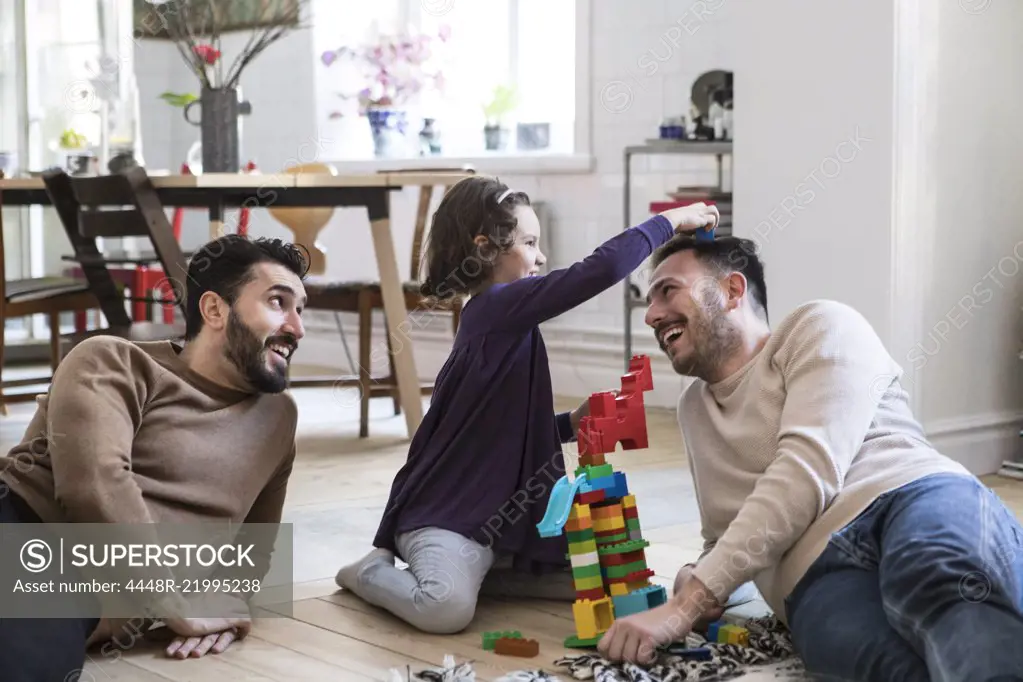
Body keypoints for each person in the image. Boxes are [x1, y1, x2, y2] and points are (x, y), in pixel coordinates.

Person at [596, 234, 1023, 680]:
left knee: (941, 582)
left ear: (731, 291)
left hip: (906, 496)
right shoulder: (694, 411)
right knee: (869, 659)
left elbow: (806, 471)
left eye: (668, 290)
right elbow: (726, 534)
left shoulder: (819, 324)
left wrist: (686, 606)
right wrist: (694, 575)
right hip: (812, 576)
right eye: (650, 302)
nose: (651, 315)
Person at [335, 175, 720, 634]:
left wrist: (566, 424)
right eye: (530, 242)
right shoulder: (495, 307)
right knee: (445, 610)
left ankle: (488, 575)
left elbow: (491, 427)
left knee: (599, 582)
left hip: (500, 524)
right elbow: (594, 272)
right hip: (449, 518)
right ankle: (370, 571)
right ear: (486, 247)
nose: (540, 257)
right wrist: (670, 220)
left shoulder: (506, 322)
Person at [0, 235, 308, 681]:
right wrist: (174, 604)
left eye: (301, 309)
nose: (297, 328)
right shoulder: (112, 360)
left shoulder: (279, 420)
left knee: (29, 664)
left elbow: (246, 561)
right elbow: (93, 483)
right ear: (215, 310)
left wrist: (217, 605)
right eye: (278, 302)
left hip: (82, 596)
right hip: (24, 527)